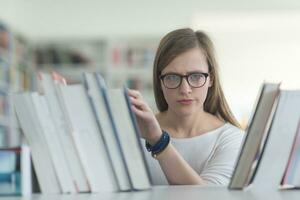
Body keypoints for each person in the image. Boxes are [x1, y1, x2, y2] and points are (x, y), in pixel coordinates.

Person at [128, 28, 244, 186]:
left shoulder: (232, 139)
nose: (185, 89)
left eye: (196, 77)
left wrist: (158, 141)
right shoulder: (135, 134)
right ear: (160, 82)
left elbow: (208, 197)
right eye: (172, 77)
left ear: (211, 79)